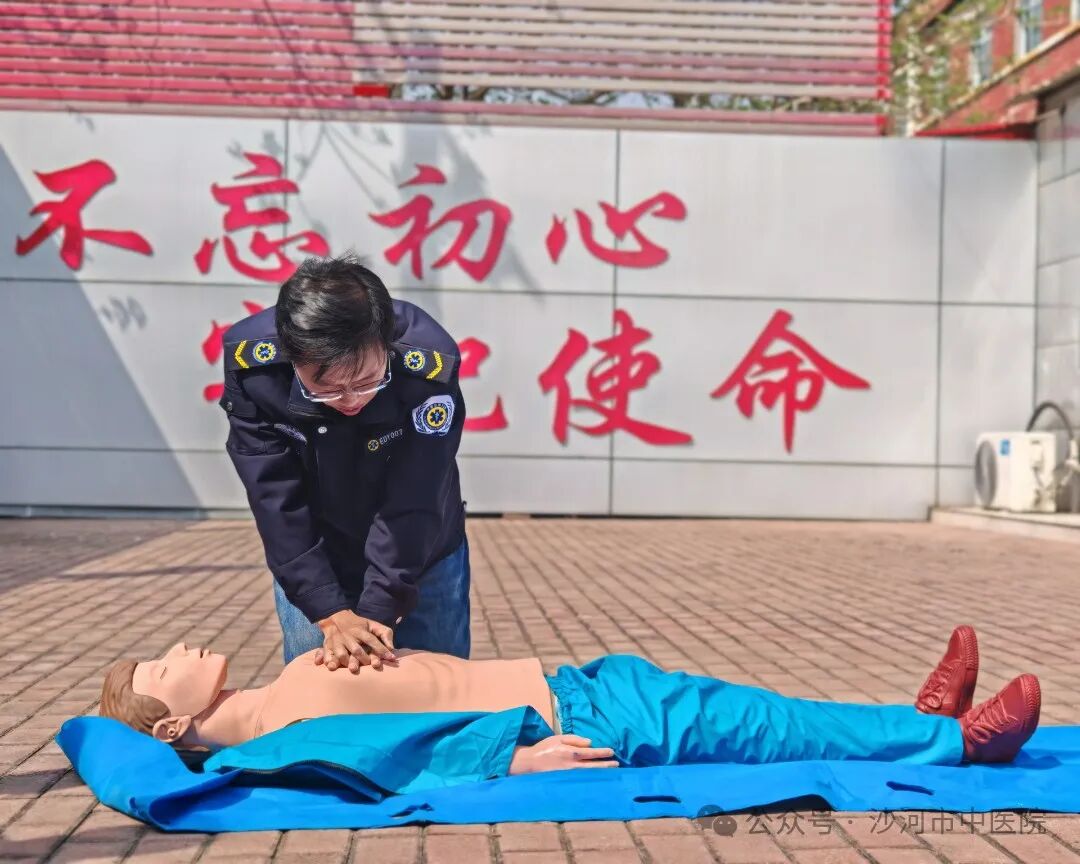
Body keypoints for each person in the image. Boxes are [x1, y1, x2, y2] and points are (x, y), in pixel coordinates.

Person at [98, 626, 1041, 775]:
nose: (179, 650)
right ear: (171, 722)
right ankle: (960, 744)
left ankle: (916, 721)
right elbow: (392, 765)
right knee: (762, 730)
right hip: (580, 722)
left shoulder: (280, 689)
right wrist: (513, 761)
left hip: (579, 681)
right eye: (160, 667)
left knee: (756, 708)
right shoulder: (275, 740)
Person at [218, 254, 470, 673]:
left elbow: (416, 493)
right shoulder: (257, 371)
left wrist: (379, 607)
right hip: (316, 555)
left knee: (440, 686)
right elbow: (275, 498)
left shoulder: (427, 368)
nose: (350, 399)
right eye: (326, 388)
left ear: (386, 344)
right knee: (320, 691)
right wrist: (329, 611)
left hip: (421, 551)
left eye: (367, 381)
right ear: (292, 359)